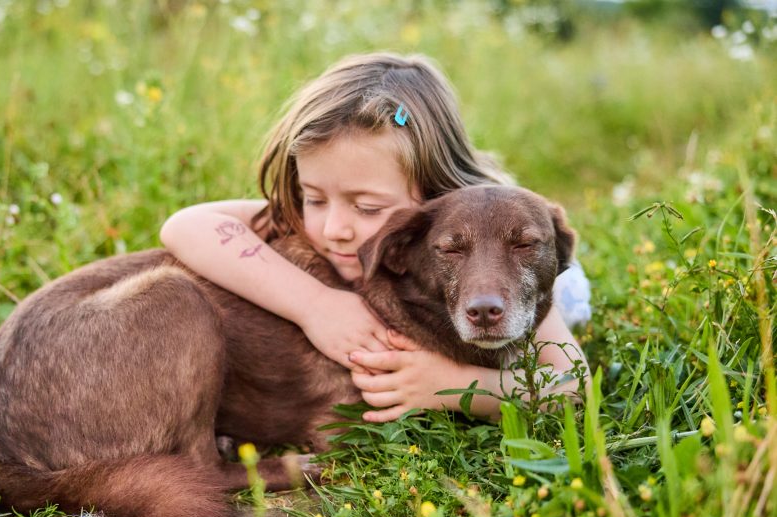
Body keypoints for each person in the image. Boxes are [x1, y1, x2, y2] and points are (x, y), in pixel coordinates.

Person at [160, 52, 589, 423]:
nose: (334, 230)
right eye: (314, 198)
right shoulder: (311, 219)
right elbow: (183, 226)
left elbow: (572, 386)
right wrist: (314, 305)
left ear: (432, 195)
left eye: (368, 208)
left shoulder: (491, 262)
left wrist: (454, 385)